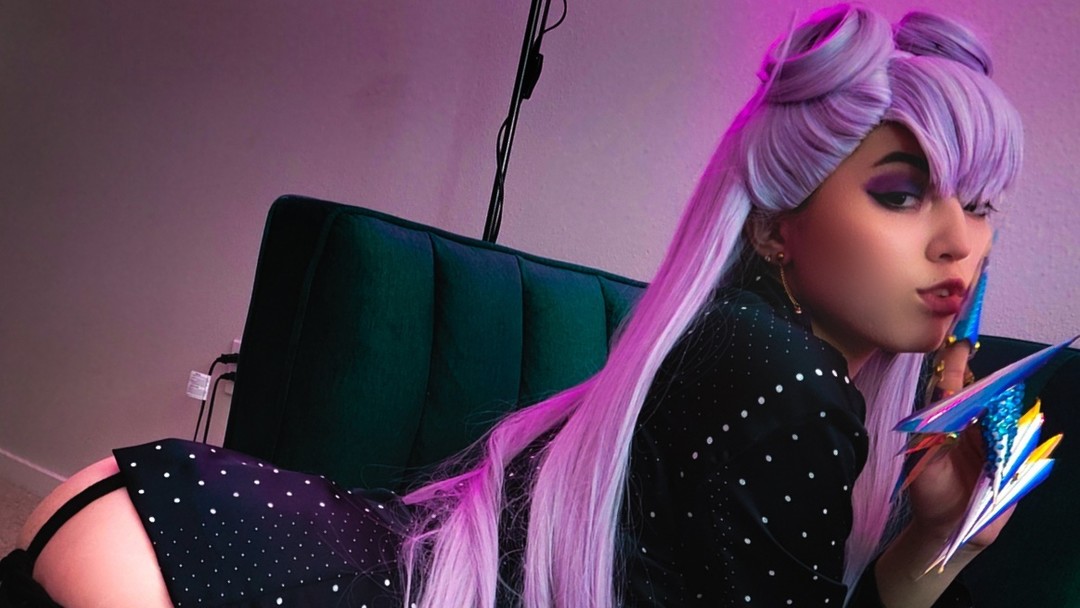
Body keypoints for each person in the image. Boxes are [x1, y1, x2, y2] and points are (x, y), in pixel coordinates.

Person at [1, 4, 1024, 607]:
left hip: (169, 526)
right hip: (197, 565)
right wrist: (929, 547)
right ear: (776, 225)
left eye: (977, 204)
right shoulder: (786, 373)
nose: (958, 242)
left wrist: (934, 533)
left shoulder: (737, 338)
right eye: (902, 195)